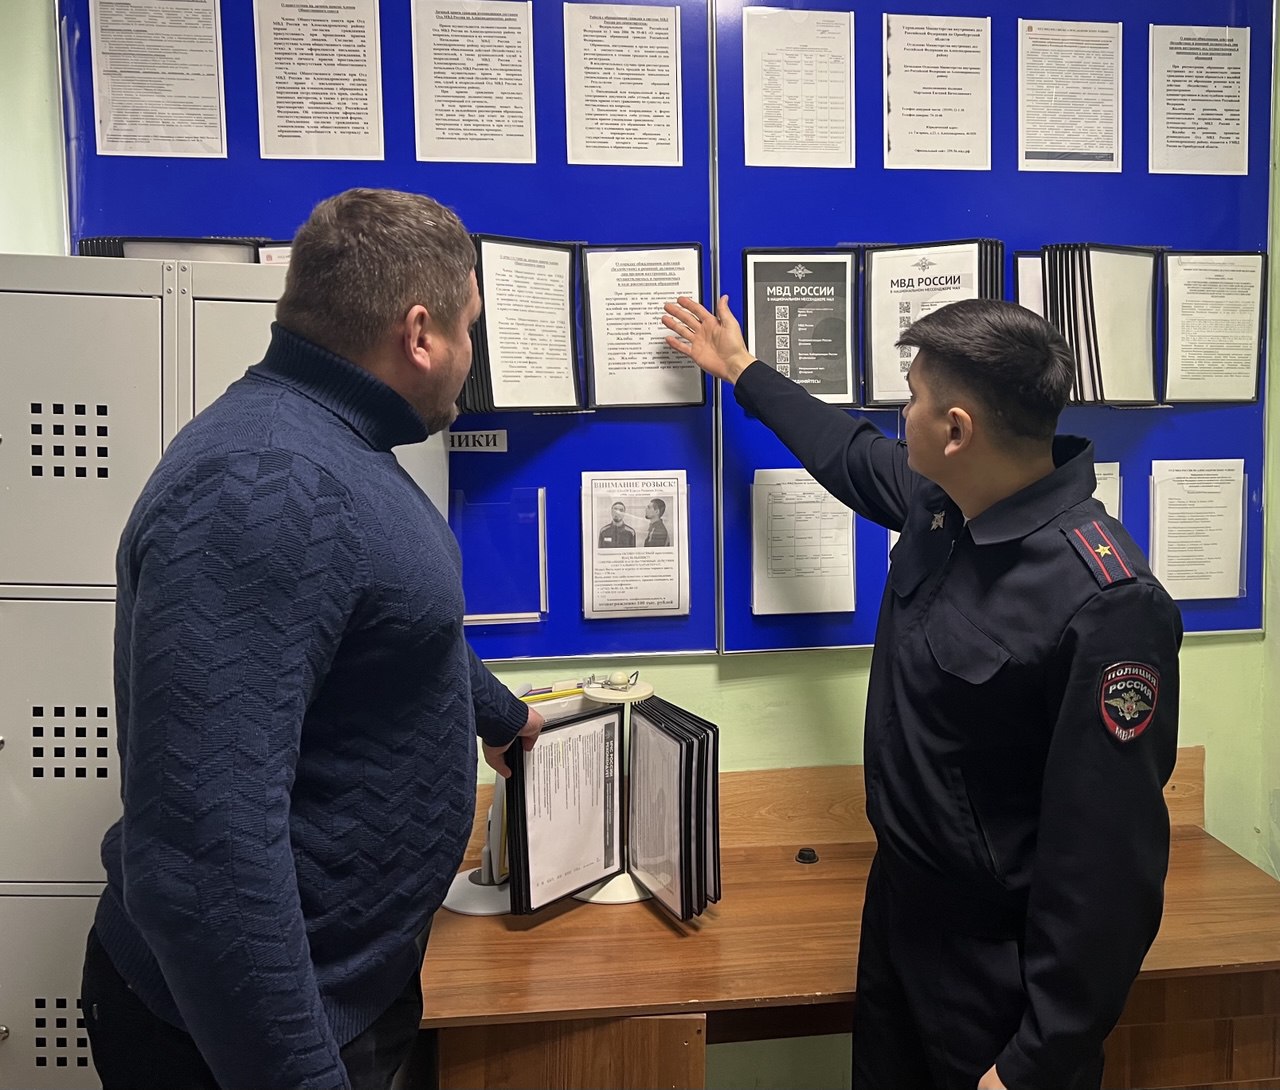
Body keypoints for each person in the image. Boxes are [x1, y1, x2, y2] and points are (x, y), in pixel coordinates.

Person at [80, 188, 545, 1090]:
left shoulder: (334, 444)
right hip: (254, 1034)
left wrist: (500, 715)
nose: (470, 358)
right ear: (420, 334)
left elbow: (394, 618)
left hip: (350, 987)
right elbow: (199, 864)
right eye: (470, 330)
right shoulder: (263, 486)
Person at [662, 294, 1181, 1090]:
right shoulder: (946, 505)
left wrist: (1035, 1061)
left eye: (912, 398)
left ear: (956, 430)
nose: (901, 416)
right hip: (901, 923)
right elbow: (845, 452)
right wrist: (740, 368)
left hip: (997, 979)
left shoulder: (1105, 604)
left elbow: (1107, 872)